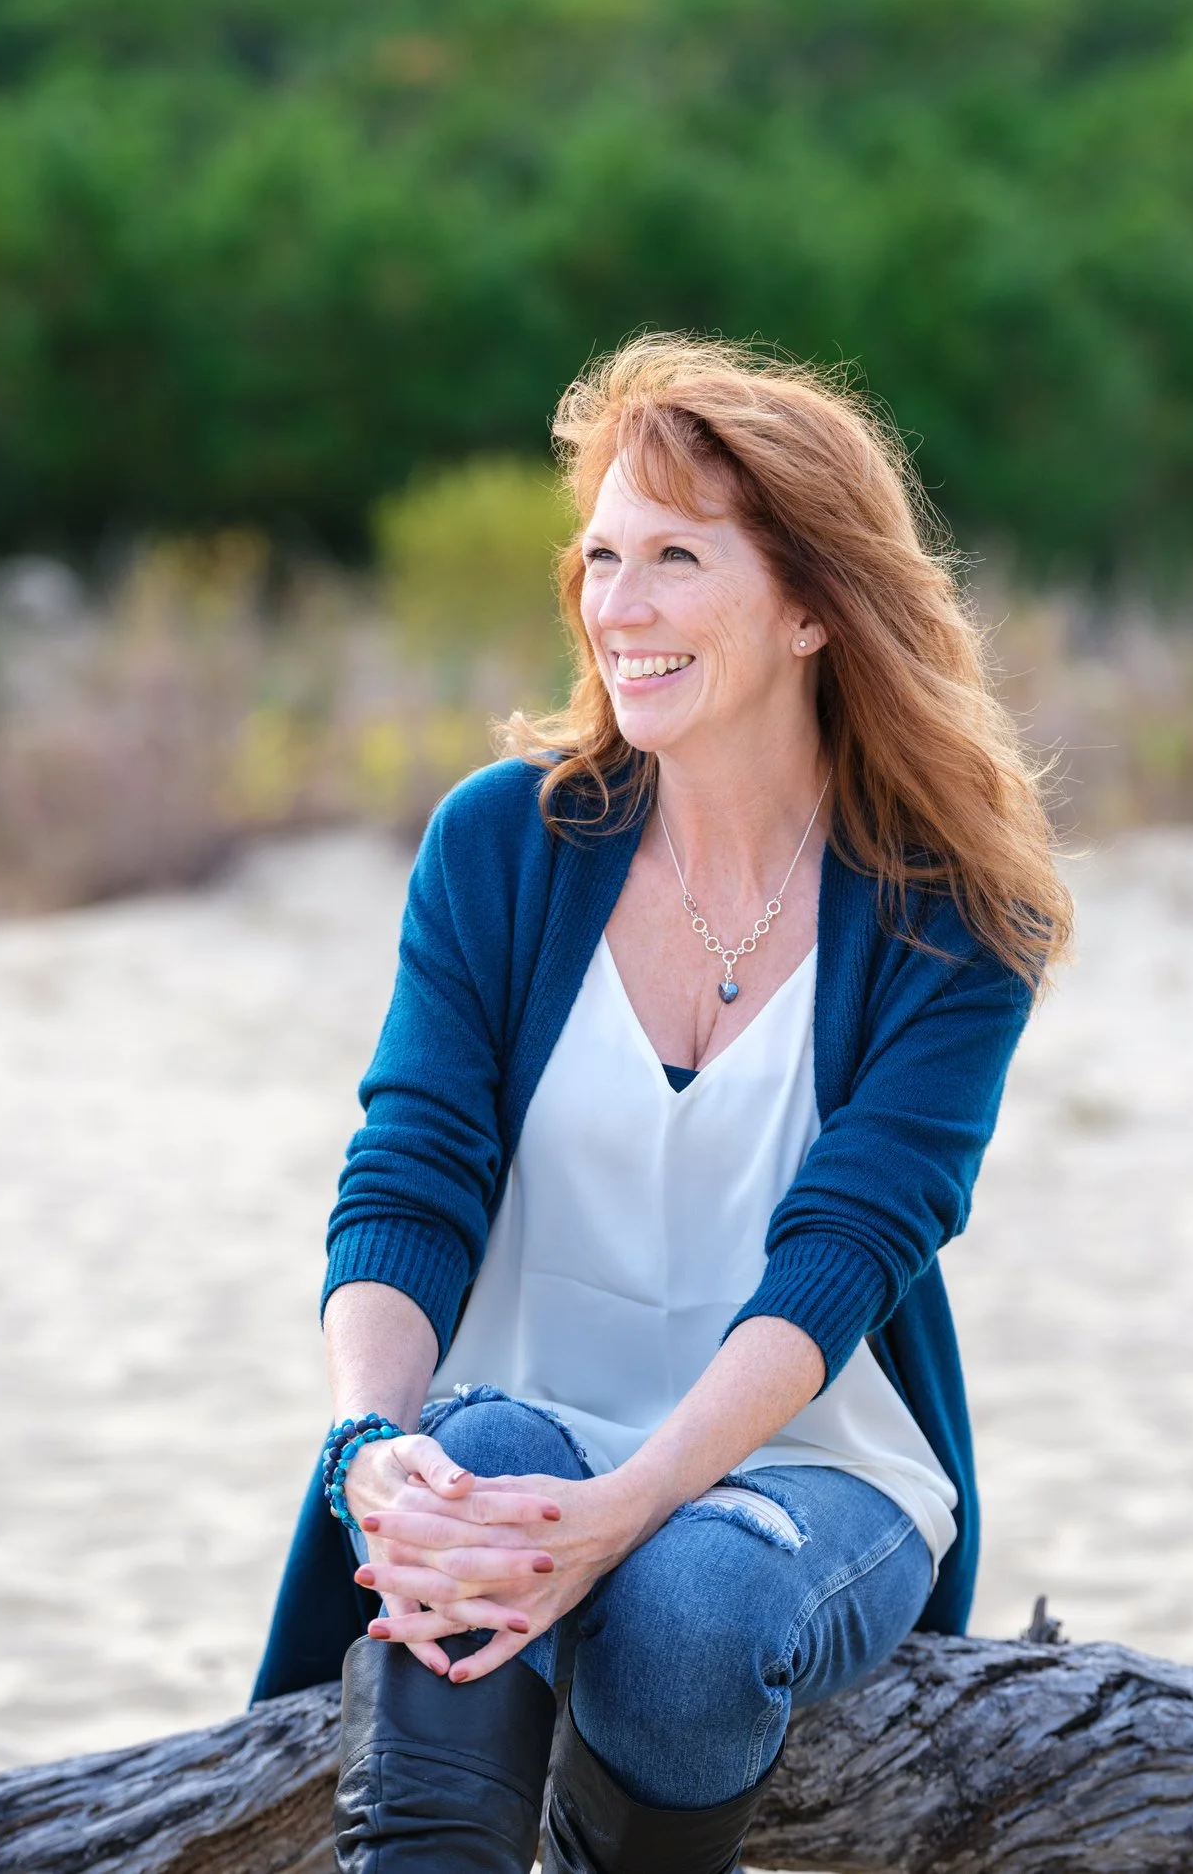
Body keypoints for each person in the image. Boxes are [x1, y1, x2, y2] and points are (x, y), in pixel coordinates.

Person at [251, 334, 1073, 1874]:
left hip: (817, 1464)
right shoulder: (505, 844)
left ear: (816, 605)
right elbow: (408, 1177)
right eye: (603, 557)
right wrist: (369, 1439)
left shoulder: (952, 916)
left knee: (688, 1611)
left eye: (677, 559)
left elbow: (843, 1254)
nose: (617, 607)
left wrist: (628, 1506)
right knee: (471, 1489)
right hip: (512, 1426)